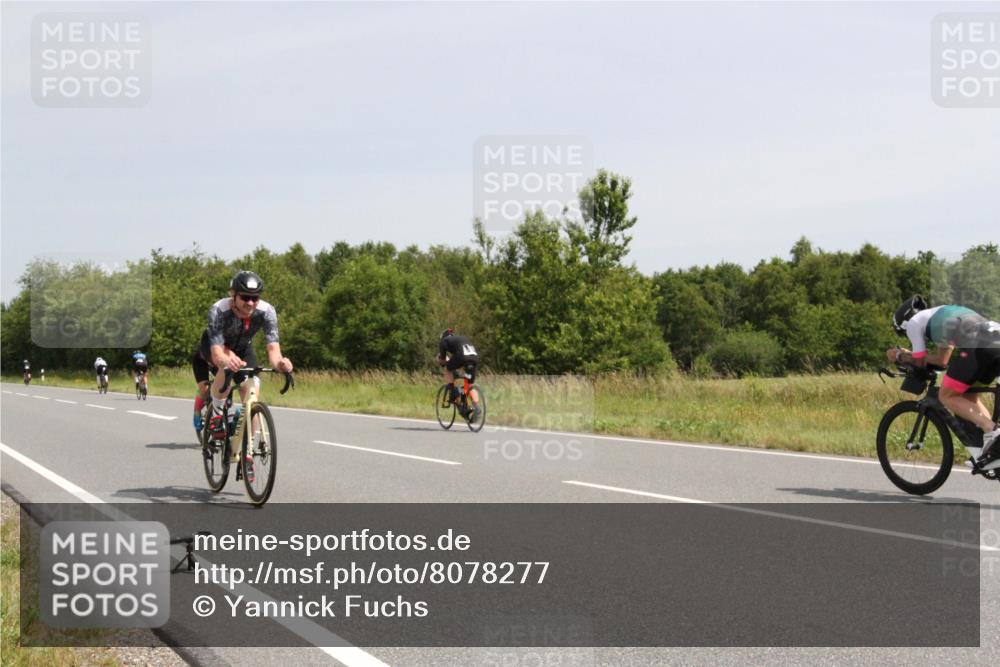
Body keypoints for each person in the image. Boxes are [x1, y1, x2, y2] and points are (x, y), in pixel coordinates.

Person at [190, 271, 293, 477]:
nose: (250, 303)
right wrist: (225, 360)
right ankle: (217, 415)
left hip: (244, 349)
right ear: (233, 295)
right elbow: (218, 352)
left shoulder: (267, 311)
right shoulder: (219, 310)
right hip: (215, 346)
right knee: (225, 367)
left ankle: (248, 450)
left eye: (255, 298)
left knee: (251, 393)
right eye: (245, 297)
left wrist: (281, 363)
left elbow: (273, 349)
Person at [888, 295, 1000, 464]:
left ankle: (993, 431)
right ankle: (992, 446)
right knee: (968, 397)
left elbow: (919, 361)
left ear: (903, 325)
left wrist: (899, 355)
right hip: (993, 340)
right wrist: (911, 355)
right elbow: (942, 360)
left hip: (977, 344)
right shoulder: (940, 315)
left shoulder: (913, 323)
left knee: (946, 396)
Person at [437, 328, 480, 419]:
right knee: (469, 384)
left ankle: (452, 390)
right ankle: (476, 407)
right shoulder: (460, 339)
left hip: (462, 357)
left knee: (448, 369)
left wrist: (439, 360)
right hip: (474, 358)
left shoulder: (444, 341)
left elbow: (442, 359)